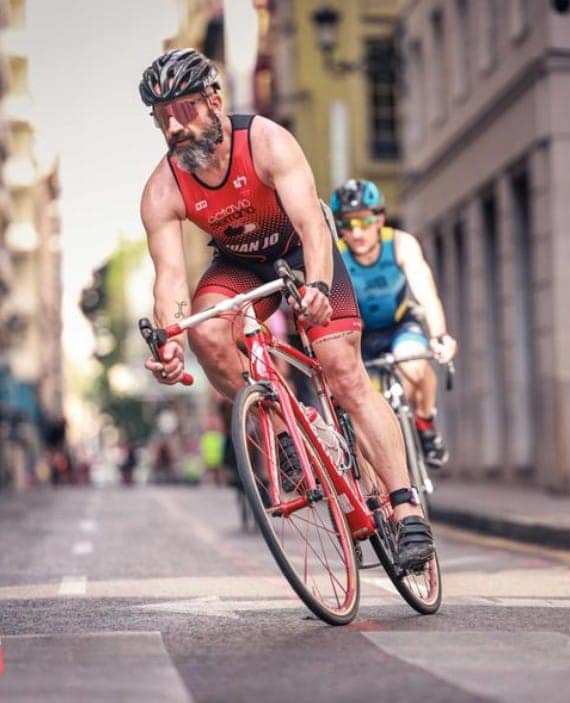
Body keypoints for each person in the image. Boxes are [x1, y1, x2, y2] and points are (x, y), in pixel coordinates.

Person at [138, 49, 433, 569]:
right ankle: (284, 432)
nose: (173, 127)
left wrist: (318, 286)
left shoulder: (268, 141)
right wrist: (171, 342)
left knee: (343, 372)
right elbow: (171, 280)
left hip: (303, 250)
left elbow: (315, 225)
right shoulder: (163, 188)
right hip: (242, 264)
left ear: (215, 102)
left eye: (183, 110)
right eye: (162, 117)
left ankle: (407, 509)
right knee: (209, 334)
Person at [331, 179, 457, 468]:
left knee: (414, 367)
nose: (358, 232)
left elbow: (426, 293)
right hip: (359, 335)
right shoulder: (336, 255)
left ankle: (424, 423)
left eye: (364, 221)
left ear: (380, 219)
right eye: (349, 225)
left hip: (399, 325)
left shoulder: (400, 244)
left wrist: (440, 335)